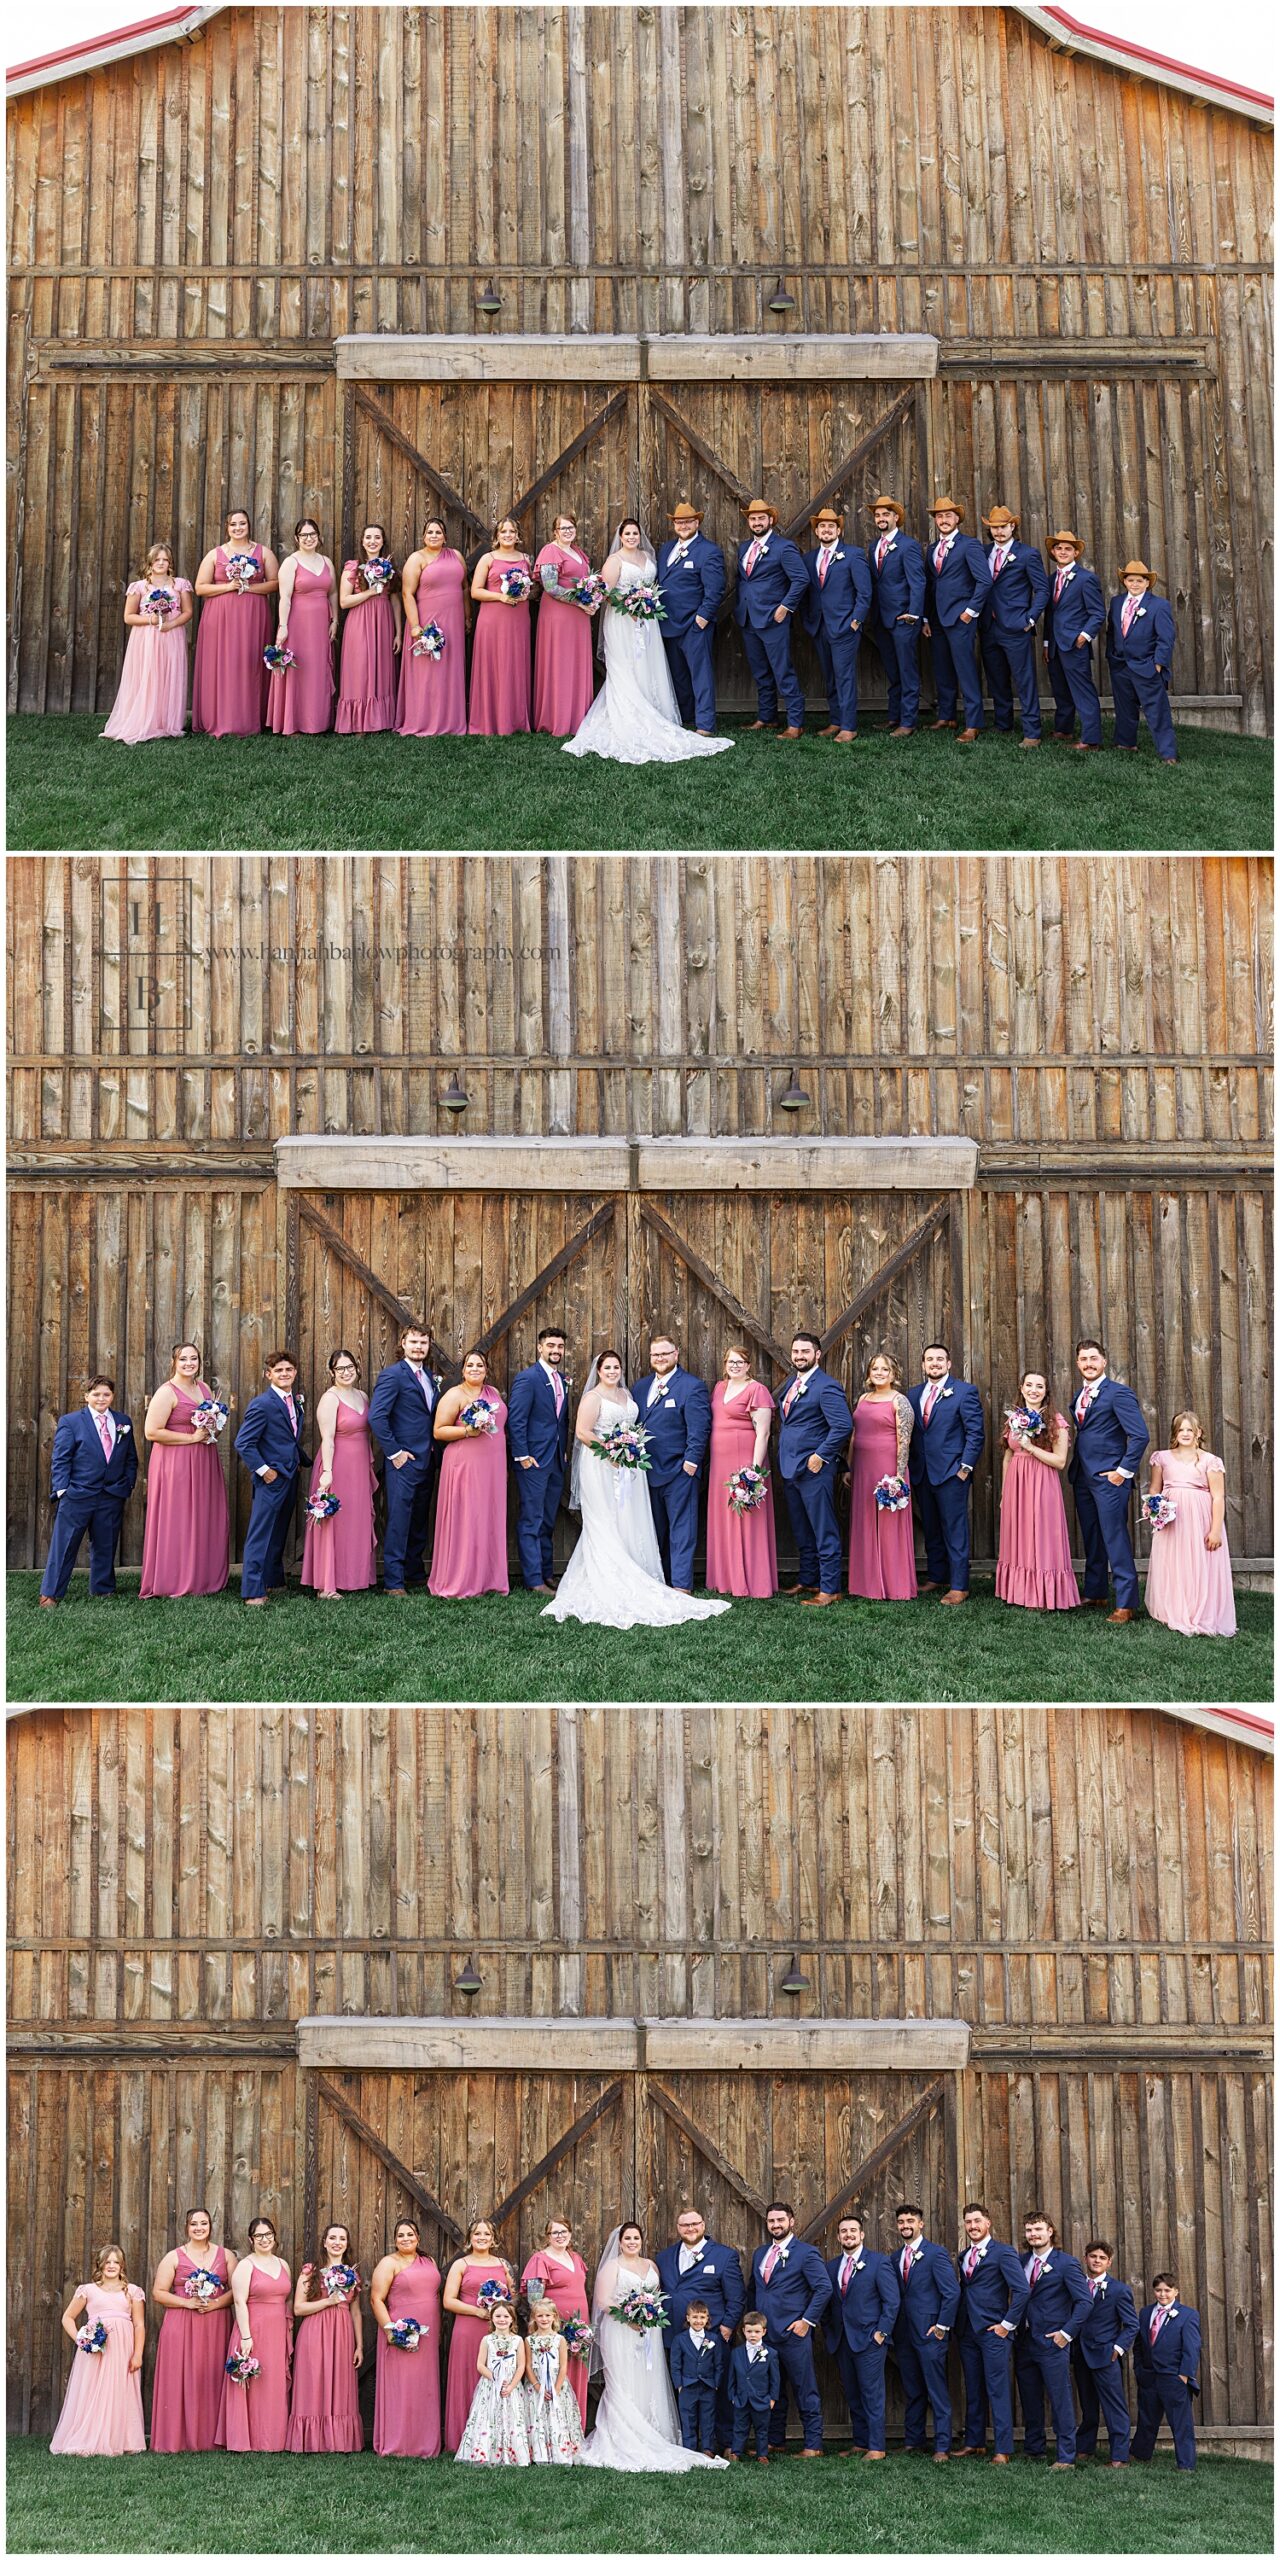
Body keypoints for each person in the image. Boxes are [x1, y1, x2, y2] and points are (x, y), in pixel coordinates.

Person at [543, 1351, 729, 1629]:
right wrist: (611, 1451)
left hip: (630, 1466)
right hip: (602, 1467)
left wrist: (625, 1451)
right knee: (604, 1522)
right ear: (599, 1370)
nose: (612, 1371)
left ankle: (637, 1572)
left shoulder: (628, 1393)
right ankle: (608, 1579)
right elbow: (583, 1432)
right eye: (607, 1367)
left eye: (616, 1366)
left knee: (629, 1520)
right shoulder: (593, 1397)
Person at [564, 519, 733, 765]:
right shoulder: (615, 560)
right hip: (623, 621)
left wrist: (646, 604)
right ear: (620, 536)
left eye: (635, 533)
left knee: (652, 667)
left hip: (652, 621)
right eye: (627, 533)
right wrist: (628, 605)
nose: (632, 536)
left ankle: (685, 719)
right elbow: (606, 592)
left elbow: (659, 585)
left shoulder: (651, 555)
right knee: (628, 669)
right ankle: (632, 717)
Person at [580, 2221, 727, 2471]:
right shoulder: (612, 2267)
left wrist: (646, 2316)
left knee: (649, 2379)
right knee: (622, 2381)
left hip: (650, 2331)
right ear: (620, 2241)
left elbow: (657, 2298)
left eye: (636, 2237)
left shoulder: (650, 2265)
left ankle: (651, 2430)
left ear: (641, 2240)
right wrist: (629, 2318)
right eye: (627, 2238)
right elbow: (603, 2301)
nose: (632, 2242)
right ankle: (623, 2435)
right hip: (619, 2331)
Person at [1067, 1336, 1149, 1622]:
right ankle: (1096, 1592)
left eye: (1093, 1358)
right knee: (1092, 1537)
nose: (1089, 1364)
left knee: (1114, 1536)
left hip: (1109, 1479)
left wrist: (1122, 1472)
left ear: (1104, 1361)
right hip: (1082, 1476)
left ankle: (1126, 1602)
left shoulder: (1119, 1393)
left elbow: (1140, 1435)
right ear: (1077, 1364)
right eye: (1083, 1359)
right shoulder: (1078, 1396)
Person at [139, 1341, 230, 1599]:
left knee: (203, 1515)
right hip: (175, 1462)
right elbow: (151, 1432)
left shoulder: (203, 1388)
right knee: (178, 1517)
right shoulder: (166, 1392)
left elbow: (211, 1424)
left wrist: (214, 1426)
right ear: (174, 1362)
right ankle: (172, 1580)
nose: (190, 1363)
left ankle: (203, 1577)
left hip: (204, 1458)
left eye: (194, 1359)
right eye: (184, 1359)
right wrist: (191, 1438)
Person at [39, 1372, 138, 1607]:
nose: (101, 1399)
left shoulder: (123, 1422)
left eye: (106, 1394)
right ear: (86, 1396)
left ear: (112, 1396)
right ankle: (51, 1593)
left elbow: (130, 1458)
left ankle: (102, 1588)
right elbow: (61, 1459)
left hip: (111, 1495)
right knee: (65, 1545)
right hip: (77, 1495)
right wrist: (63, 1490)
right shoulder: (71, 1422)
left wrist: (127, 1483)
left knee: (106, 1543)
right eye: (96, 1394)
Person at [655, 2209, 745, 2453]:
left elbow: (736, 2298)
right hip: (676, 2338)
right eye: (684, 2225)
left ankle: (724, 2443)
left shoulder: (724, 2256)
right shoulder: (664, 2258)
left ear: (703, 2225)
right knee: (682, 2392)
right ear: (677, 2227)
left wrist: (726, 2328)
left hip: (712, 2339)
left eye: (694, 2224)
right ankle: (688, 2442)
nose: (690, 2229)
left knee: (717, 2390)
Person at [747, 2201, 831, 2456]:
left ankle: (813, 2445)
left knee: (804, 2389)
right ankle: (775, 2440)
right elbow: (755, 2290)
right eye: (771, 2221)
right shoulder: (761, 2254)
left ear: (791, 2221)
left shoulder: (806, 2253)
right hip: (766, 2337)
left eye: (780, 2220)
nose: (776, 2225)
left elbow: (824, 2288)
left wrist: (806, 2321)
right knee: (773, 2389)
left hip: (794, 2335)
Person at [149, 2206, 236, 2453]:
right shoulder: (174, 2256)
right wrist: (188, 2303)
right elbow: (158, 2293)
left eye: (204, 2223)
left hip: (216, 2323)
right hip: (181, 2323)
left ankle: (212, 2438)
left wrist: (216, 2304)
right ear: (186, 2227)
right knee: (180, 2376)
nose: (199, 2228)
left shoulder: (226, 2256)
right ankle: (176, 2439)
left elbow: (238, 2290)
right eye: (194, 2224)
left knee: (211, 2376)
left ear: (211, 2226)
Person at [776, 1332, 854, 1604]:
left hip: (814, 1469)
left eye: (805, 1352)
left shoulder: (826, 1386)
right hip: (790, 1467)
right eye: (796, 1351)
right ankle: (808, 1579)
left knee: (823, 1528)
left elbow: (843, 1426)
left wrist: (820, 1455)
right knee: (801, 1527)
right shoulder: (792, 1383)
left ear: (817, 1354)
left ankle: (830, 1588)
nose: (799, 1356)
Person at [631, 1335, 712, 1593]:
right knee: (654, 1531)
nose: (660, 1358)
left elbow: (699, 1429)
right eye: (655, 1354)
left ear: (676, 1354)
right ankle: (658, 1581)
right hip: (646, 1472)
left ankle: (681, 1586)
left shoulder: (691, 1386)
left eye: (665, 1353)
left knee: (682, 1531)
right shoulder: (640, 1387)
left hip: (679, 1471)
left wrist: (691, 1462)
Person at [1144, 1411, 1236, 1636]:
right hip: (1172, 1520)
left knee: (1198, 1562)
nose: (1185, 1433)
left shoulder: (1210, 1461)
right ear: (1175, 1434)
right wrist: (1155, 1507)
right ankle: (1173, 1609)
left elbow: (1217, 1497)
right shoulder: (1162, 1458)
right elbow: (1155, 1488)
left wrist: (1215, 1530)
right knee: (1174, 1562)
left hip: (1199, 1518)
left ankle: (1200, 1611)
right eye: (1181, 1429)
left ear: (1198, 1433)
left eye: (1190, 1430)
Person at [995, 1369, 1081, 1611]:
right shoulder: (1014, 1419)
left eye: (1039, 1386)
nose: (1033, 1390)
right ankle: (1019, 1591)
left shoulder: (1056, 1421)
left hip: (1042, 1483)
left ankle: (1044, 1594)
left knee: (1041, 1535)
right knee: (1019, 1534)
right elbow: (1008, 1456)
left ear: (1046, 1392)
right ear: (1021, 1389)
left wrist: (1030, 1448)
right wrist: (1004, 1493)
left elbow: (1060, 1461)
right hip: (1016, 1483)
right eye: (1029, 1385)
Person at [49, 2242, 146, 2456]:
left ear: (122, 2266)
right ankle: (88, 2436)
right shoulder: (88, 2290)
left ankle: (120, 2439)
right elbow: (67, 2317)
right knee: (93, 2390)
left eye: (116, 2262)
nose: (111, 2265)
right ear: (99, 2265)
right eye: (107, 2261)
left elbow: (139, 2324)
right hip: (96, 2349)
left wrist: (137, 2354)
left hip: (122, 2348)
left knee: (119, 2389)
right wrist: (80, 2340)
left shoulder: (132, 2291)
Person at [906, 1342, 985, 1602]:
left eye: (940, 1359)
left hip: (952, 1473)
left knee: (955, 1529)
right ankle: (936, 1576)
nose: (935, 1363)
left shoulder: (964, 1392)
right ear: (923, 1364)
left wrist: (965, 1467)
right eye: (930, 1359)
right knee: (930, 1526)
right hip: (922, 1472)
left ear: (949, 1363)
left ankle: (959, 1585)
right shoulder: (913, 1394)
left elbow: (975, 1433)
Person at [952, 2203, 1029, 2463]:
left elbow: (1021, 2291)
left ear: (988, 2223)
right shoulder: (963, 2256)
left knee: (997, 2389)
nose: (972, 2226)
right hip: (967, 2332)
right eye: (968, 2222)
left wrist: (1006, 2325)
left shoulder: (1004, 2253)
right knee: (973, 2388)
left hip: (994, 2332)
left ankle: (1003, 2449)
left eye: (977, 2221)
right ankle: (975, 2442)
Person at [429, 1349, 510, 1597]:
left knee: (487, 1518)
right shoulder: (455, 1395)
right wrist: (467, 1431)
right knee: (466, 1517)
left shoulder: (493, 1393)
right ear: (463, 1370)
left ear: (486, 1369)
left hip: (492, 1465)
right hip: (464, 1464)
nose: (475, 1369)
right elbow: (438, 1431)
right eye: (470, 1365)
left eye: (480, 1365)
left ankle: (487, 1578)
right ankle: (460, 1578)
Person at [1015, 2212, 1091, 2469]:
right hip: (1024, 2341)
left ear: (1050, 2231)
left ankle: (1066, 2456)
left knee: (1060, 2399)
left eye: (1038, 2229)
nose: (1033, 2234)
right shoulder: (1021, 2261)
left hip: (1052, 2342)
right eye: (1029, 2230)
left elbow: (1084, 2302)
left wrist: (1066, 2333)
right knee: (1030, 2398)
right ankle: (1034, 2448)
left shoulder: (1066, 2263)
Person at [191, 506, 278, 734]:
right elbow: (200, 587)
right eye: (233, 524)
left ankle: (251, 718)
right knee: (223, 664)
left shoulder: (264, 552)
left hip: (252, 617)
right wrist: (229, 586)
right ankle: (219, 718)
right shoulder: (215, 554)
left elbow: (275, 583)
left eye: (242, 523)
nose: (238, 528)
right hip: (219, 618)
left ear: (249, 526)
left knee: (249, 664)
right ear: (227, 528)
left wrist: (249, 587)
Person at [300, 1347, 378, 1597]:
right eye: (340, 1368)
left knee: (356, 1520)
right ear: (332, 1372)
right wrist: (327, 1472)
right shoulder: (330, 1398)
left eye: (350, 1367)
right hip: (337, 1465)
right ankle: (327, 1584)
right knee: (335, 1522)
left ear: (357, 1368)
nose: (346, 1372)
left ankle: (354, 1577)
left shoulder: (363, 1396)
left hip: (359, 1468)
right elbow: (328, 1439)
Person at [367, 1322, 439, 1595]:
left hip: (427, 1459)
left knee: (419, 1519)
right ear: (403, 1344)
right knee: (398, 1519)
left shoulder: (429, 1376)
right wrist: (395, 1453)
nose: (419, 1347)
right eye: (414, 1342)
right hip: (403, 1462)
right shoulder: (393, 1375)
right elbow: (377, 1417)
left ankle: (413, 1571)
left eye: (423, 1342)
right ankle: (394, 1581)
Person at [822, 2213, 900, 2459]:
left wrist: (881, 2333)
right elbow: (828, 2304)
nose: (848, 2234)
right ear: (838, 2237)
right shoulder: (831, 2266)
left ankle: (877, 2447)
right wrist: (829, 2331)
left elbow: (892, 2301)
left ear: (862, 2234)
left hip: (869, 2340)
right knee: (852, 2393)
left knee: (872, 2393)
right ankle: (861, 2442)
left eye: (853, 2230)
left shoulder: (878, 2262)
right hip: (842, 2340)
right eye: (844, 2231)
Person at [101, 542, 194, 742]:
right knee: (148, 676)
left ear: (170, 563)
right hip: (145, 639)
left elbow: (188, 612)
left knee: (168, 675)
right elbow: (129, 617)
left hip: (172, 636)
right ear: (149, 563)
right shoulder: (139, 587)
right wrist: (151, 620)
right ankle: (144, 720)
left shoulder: (180, 584)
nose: (161, 563)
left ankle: (167, 722)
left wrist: (172, 624)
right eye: (157, 559)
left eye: (165, 559)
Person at [234, 1351, 307, 1604]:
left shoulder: (294, 1402)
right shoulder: (262, 1404)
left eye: (288, 1370)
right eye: (278, 1371)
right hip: (271, 1479)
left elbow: (289, 1437)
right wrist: (265, 1471)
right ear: (269, 1375)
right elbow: (244, 1443)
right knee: (260, 1533)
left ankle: (273, 1579)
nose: (284, 1374)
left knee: (279, 1531)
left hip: (290, 1474)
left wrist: (298, 1461)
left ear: (295, 1372)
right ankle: (253, 1590)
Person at [733, 497, 809, 736]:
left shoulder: (783, 547)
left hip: (773, 619)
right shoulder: (745, 548)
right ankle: (767, 717)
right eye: (753, 519)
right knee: (760, 672)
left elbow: (801, 579)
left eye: (761, 518)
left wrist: (785, 606)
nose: (756, 522)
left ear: (771, 520)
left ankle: (795, 723)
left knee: (782, 670)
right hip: (748, 618)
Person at [705, 1347, 777, 1598]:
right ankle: (724, 1577)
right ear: (725, 1364)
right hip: (719, 1464)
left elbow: (763, 1433)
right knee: (724, 1516)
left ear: (748, 1365)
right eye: (730, 1361)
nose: (735, 1366)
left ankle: (751, 1579)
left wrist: (753, 1473)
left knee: (746, 1518)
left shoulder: (757, 1390)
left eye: (740, 1362)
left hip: (744, 1461)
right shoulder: (719, 1388)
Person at [218, 2215, 293, 2454]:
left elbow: (286, 2298)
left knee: (273, 2382)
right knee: (253, 2380)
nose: (264, 2239)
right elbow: (239, 2302)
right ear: (251, 2240)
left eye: (268, 2234)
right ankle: (249, 2439)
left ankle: (274, 2438)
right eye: (259, 2235)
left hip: (278, 2330)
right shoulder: (246, 2266)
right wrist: (247, 2337)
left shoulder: (283, 2265)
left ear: (274, 2236)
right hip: (253, 2329)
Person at [442, 2216, 517, 2453]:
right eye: (477, 2234)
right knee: (468, 2378)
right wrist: (478, 2311)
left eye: (486, 2234)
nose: (482, 2237)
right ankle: (464, 2439)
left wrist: (500, 2310)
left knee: (497, 2376)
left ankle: (494, 2439)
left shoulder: (503, 2265)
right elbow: (448, 2301)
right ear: (469, 2238)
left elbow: (515, 2297)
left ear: (493, 2238)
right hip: (467, 2329)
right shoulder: (461, 2264)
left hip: (498, 2331)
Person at [286, 2222, 363, 2452]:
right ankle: (310, 2440)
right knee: (313, 2379)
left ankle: (338, 2441)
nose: (337, 2242)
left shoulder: (352, 2274)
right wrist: (327, 2301)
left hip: (342, 2332)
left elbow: (356, 2311)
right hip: (314, 2330)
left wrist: (359, 2345)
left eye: (342, 2239)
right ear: (324, 2242)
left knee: (340, 2381)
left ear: (347, 2244)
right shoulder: (310, 2270)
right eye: (332, 2238)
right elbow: (298, 2308)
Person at [891, 2202, 959, 2461]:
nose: (905, 2226)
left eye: (910, 2221)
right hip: (904, 2334)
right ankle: (913, 2441)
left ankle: (942, 2447)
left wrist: (941, 2326)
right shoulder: (895, 2258)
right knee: (912, 2389)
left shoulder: (935, 2254)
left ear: (921, 2224)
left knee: (936, 2390)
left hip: (931, 2333)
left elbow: (951, 2292)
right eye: (901, 2222)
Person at [846, 1350, 917, 1601]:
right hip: (863, 1468)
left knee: (888, 1525)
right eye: (875, 1368)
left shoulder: (900, 1401)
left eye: (884, 1369)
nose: (879, 1373)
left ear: (893, 1374)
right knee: (865, 1521)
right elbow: (855, 1435)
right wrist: (849, 1465)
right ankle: (865, 1582)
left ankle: (892, 1584)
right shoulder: (863, 1398)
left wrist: (898, 1477)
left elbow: (904, 1441)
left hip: (887, 1468)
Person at [370, 2217, 443, 2457]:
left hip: (429, 2333)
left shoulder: (428, 2261)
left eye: (410, 2234)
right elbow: (376, 2299)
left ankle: (424, 2442)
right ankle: (398, 2442)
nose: (406, 2239)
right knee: (401, 2385)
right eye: (401, 2235)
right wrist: (390, 2331)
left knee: (425, 2386)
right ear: (394, 2240)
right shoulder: (388, 2263)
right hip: (402, 2332)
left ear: (418, 2237)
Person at [978, 503, 1049, 745]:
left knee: (1024, 680)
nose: (998, 532)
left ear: (1012, 527)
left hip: (1016, 626)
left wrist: (1030, 618)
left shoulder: (1027, 554)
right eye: (994, 528)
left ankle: (1032, 732)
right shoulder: (983, 552)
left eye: (1003, 527)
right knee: (996, 678)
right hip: (988, 626)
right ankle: (1002, 723)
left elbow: (1042, 590)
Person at [508, 1329, 571, 1594]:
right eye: (550, 1345)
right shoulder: (528, 1379)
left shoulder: (560, 1379)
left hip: (555, 1460)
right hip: (532, 1461)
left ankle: (546, 1573)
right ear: (539, 1347)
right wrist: (522, 1455)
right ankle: (534, 1579)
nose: (555, 1350)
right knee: (532, 1520)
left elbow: (561, 1420)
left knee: (548, 1520)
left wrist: (563, 1450)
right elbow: (517, 1419)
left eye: (559, 1346)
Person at [801, 506, 871, 743]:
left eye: (831, 526)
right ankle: (835, 720)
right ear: (817, 531)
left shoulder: (853, 555)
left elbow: (864, 592)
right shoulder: (809, 558)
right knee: (829, 676)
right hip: (819, 626)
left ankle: (849, 727)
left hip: (845, 627)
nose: (826, 529)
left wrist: (856, 621)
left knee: (844, 676)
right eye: (822, 526)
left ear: (839, 530)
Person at [656, 499, 726, 733]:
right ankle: (687, 717)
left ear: (697, 523)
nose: (683, 525)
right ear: (673, 524)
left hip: (694, 624)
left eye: (688, 521)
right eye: (679, 522)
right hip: (668, 623)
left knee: (700, 675)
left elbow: (715, 589)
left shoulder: (709, 551)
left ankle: (705, 724)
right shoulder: (666, 549)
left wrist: (703, 617)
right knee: (678, 675)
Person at [921, 497, 987, 741]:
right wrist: (926, 618)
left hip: (961, 618)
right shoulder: (931, 549)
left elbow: (984, 581)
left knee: (965, 670)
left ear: (957, 519)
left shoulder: (969, 545)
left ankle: (973, 723)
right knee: (942, 668)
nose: (943, 520)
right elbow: (930, 584)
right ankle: (947, 716)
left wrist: (970, 611)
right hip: (937, 619)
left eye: (948, 516)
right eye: (939, 516)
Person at [397, 517, 469, 735]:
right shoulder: (416, 558)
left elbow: (464, 587)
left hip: (454, 621)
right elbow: (407, 593)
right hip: (428, 621)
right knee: (427, 672)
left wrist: (467, 616)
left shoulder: (456, 556)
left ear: (445, 536)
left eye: (438, 532)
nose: (434, 536)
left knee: (450, 669)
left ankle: (451, 720)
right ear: (423, 536)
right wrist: (415, 626)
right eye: (430, 532)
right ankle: (424, 720)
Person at [268, 517, 337, 734]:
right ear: (297, 539)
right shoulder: (291, 562)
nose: (309, 538)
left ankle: (317, 721)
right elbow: (285, 597)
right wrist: (283, 626)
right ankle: (294, 722)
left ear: (319, 536)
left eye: (312, 534)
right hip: (298, 624)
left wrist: (335, 619)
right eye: (304, 535)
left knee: (318, 670)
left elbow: (333, 592)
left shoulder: (327, 562)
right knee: (298, 670)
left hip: (320, 625)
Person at [521, 2215, 592, 2426]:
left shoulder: (576, 2258)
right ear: (547, 2236)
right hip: (552, 2327)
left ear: (570, 2234)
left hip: (579, 2325)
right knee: (554, 2369)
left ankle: (574, 2428)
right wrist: (546, 2327)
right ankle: (552, 2429)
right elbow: (535, 2301)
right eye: (555, 2232)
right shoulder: (539, 2259)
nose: (560, 2236)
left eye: (564, 2232)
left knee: (576, 2371)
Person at [1072, 2240, 1138, 2466]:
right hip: (1080, 2354)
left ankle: (1119, 2456)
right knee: (1087, 2405)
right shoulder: (1077, 2285)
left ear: (1109, 2262)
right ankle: (1085, 2447)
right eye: (1092, 2256)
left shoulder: (1119, 2290)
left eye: (1101, 2258)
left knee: (1114, 2406)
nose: (1096, 2261)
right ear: (1086, 2258)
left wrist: (1117, 2349)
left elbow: (1132, 2325)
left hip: (1105, 2356)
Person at [533, 512, 599, 734]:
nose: (568, 531)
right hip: (558, 615)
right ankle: (557, 718)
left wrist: (592, 600)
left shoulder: (578, 552)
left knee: (576, 661)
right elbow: (551, 587)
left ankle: (578, 716)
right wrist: (580, 602)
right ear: (555, 532)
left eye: (571, 527)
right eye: (563, 528)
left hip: (578, 616)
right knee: (560, 662)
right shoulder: (550, 551)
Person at [1106, 561, 1178, 763]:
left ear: (1148, 583)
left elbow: (1166, 638)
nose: (1135, 584)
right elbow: (1111, 631)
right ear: (1124, 582)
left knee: (1157, 710)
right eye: (1130, 580)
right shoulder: (1117, 602)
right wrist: (1111, 656)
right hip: (1120, 664)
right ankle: (1125, 742)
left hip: (1146, 666)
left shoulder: (1158, 605)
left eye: (1140, 580)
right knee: (1124, 707)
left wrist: (1158, 663)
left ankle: (1167, 753)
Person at [864, 496, 925, 735]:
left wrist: (913, 614)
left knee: (907, 670)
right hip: (881, 618)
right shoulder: (873, 546)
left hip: (903, 618)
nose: (881, 519)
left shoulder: (908, 546)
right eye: (878, 515)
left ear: (896, 517)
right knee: (892, 670)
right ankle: (894, 716)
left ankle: (908, 722)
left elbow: (918, 583)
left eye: (885, 515)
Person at [469, 516, 534, 734]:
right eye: (503, 532)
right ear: (497, 536)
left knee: (515, 664)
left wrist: (526, 594)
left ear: (518, 536)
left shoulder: (526, 559)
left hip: (518, 620)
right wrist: (501, 597)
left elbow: (534, 588)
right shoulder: (488, 558)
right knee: (493, 664)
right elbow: (475, 591)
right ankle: (490, 719)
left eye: (512, 532)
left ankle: (515, 719)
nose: (508, 535)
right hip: (492, 619)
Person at [1042, 529, 1105, 750]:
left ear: (1076, 552)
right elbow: (1051, 615)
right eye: (1059, 548)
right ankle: (1063, 729)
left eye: (1068, 548)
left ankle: (1091, 738)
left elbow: (1097, 613)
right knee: (1060, 689)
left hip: (1075, 644)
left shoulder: (1086, 579)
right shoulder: (1050, 580)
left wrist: (1083, 637)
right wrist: (1047, 643)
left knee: (1082, 691)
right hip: (1055, 646)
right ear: (1053, 551)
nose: (1063, 551)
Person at [336, 522, 402, 732]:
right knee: (360, 668)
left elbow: (394, 600)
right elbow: (344, 601)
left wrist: (399, 632)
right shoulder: (353, 567)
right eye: (368, 537)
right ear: (362, 542)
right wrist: (370, 592)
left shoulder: (390, 567)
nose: (372, 541)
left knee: (381, 666)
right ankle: (358, 721)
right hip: (359, 621)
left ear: (383, 542)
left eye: (377, 537)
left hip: (383, 621)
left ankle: (381, 720)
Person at [1132, 2276, 1200, 2470]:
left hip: (1173, 2378)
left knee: (1180, 2423)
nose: (1162, 2294)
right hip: (1148, 2376)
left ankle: (1185, 2464)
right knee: (1147, 2418)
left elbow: (1192, 2348)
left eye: (1167, 2290)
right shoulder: (1145, 2313)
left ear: (1176, 2292)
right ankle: (1141, 2454)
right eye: (1158, 2290)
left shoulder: (1187, 2315)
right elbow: (1139, 2345)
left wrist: (1184, 2376)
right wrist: (1139, 2369)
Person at [455, 2296, 532, 2464]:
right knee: (487, 2417)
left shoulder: (518, 2340)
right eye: (498, 2316)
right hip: (490, 2385)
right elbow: (480, 2365)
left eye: (506, 2316)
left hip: (511, 2387)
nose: (502, 2320)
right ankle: (484, 2452)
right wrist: (495, 2378)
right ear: (492, 2318)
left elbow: (521, 2366)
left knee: (511, 2418)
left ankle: (512, 2453)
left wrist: (511, 2385)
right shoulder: (487, 2340)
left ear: (512, 2319)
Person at [525, 2301, 586, 2462]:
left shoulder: (559, 2340)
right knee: (537, 2416)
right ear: (534, 2318)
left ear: (554, 2317)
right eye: (540, 2316)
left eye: (547, 2315)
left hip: (556, 2383)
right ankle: (539, 2451)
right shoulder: (529, 2340)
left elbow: (563, 2366)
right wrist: (537, 2386)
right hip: (537, 2384)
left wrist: (556, 2388)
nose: (544, 2319)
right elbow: (528, 2366)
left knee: (556, 2415)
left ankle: (560, 2451)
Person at [669, 2302, 724, 2453]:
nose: (698, 2320)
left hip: (708, 2386)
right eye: (694, 2317)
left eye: (702, 2317)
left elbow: (719, 2363)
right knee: (688, 2418)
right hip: (687, 2385)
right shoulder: (680, 2339)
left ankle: (707, 2448)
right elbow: (675, 2364)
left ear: (707, 2319)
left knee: (708, 2418)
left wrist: (716, 2383)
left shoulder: (714, 2339)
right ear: (688, 2318)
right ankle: (689, 2449)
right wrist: (679, 2384)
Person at [728, 2313, 780, 2461]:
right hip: (741, 2399)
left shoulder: (771, 2354)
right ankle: (736, 2452)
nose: (753, 2335)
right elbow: (731, 2376)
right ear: (744, 2331)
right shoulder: (736, 2353)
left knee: (762, 2429)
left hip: (762, 2399)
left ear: (764, 2331)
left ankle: (762, 2454)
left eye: (757, 2332)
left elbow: (775, 2379)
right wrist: (732, 2396)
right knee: (739, 2427)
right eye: (749, 2331)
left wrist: (772, 2398)